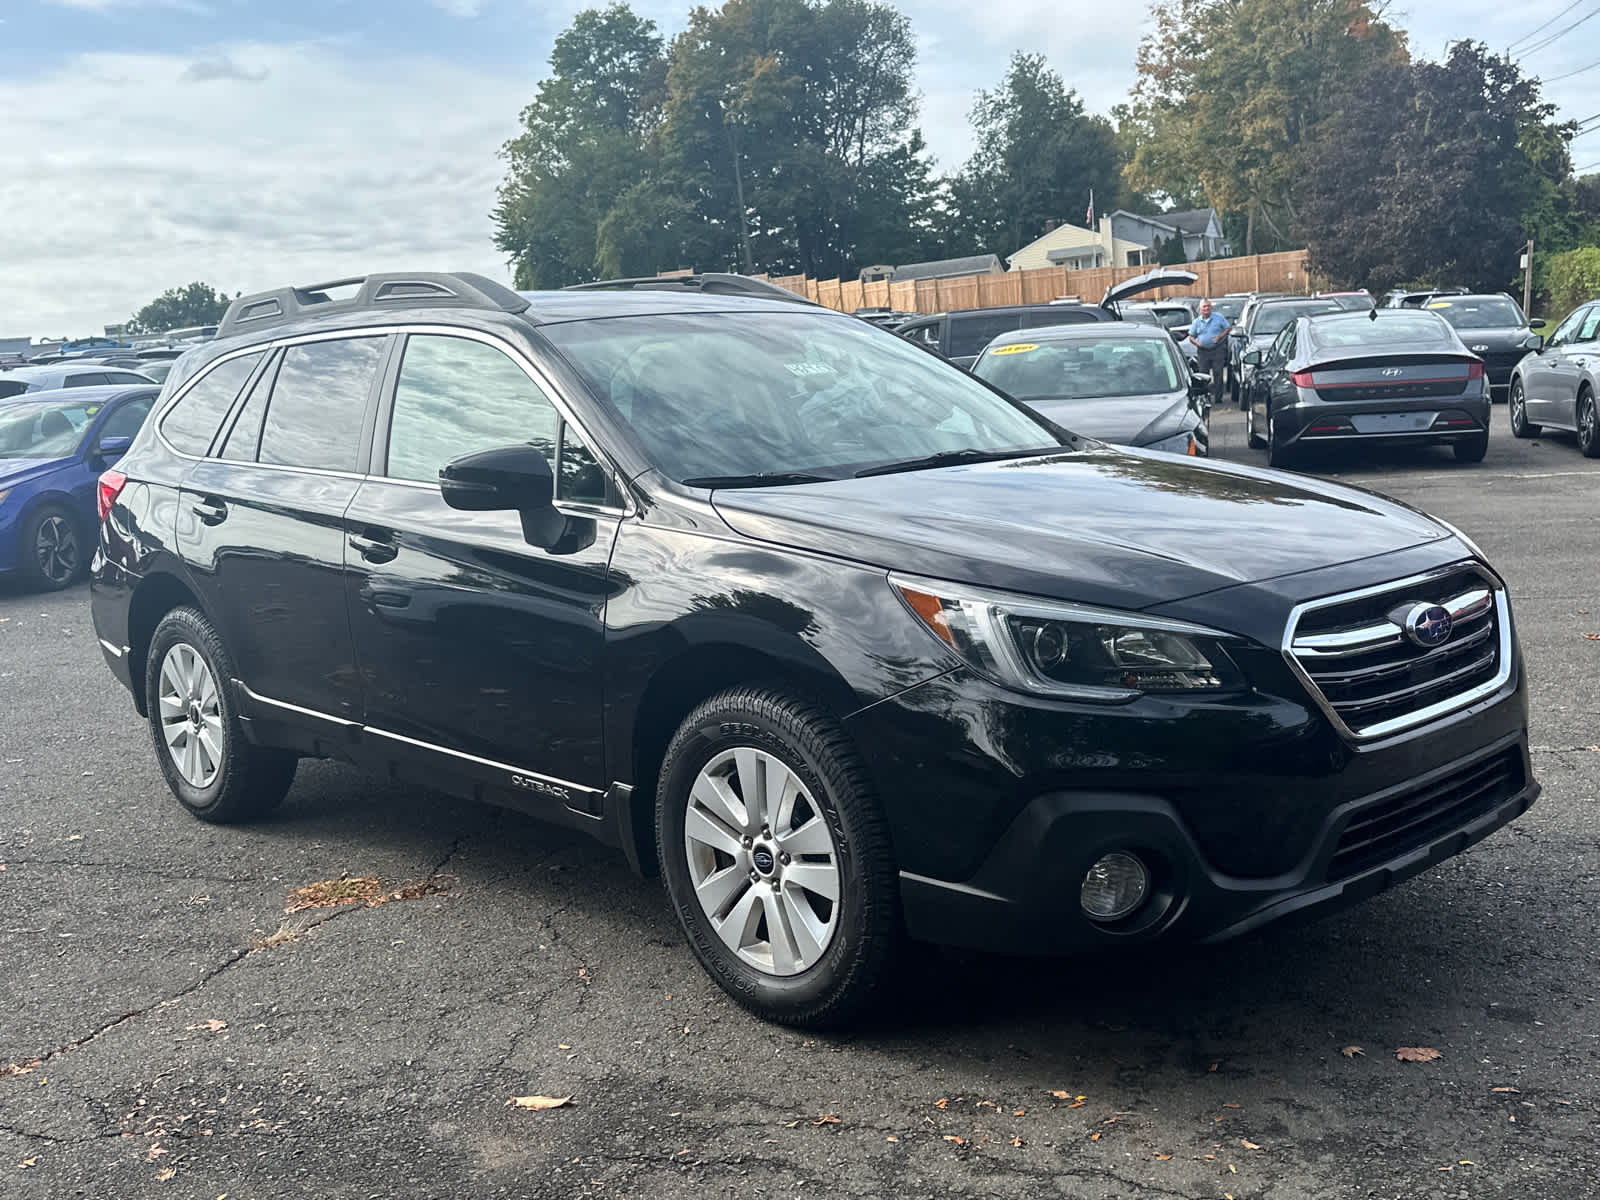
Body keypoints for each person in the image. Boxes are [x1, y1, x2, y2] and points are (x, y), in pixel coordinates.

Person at [1185, 298, 1232, 408]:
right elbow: (1191, 337)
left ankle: (1218, 398)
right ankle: (1205, 398)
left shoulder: (1218, 317)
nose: (1206, 309)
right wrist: (1197, 343)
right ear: (1200, 309)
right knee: (1203, 375)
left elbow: (1227, 328)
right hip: (1203, 352)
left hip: (1217, 350)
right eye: (1204, 307)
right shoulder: (1196, 322)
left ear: (1211, 308)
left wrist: (1219, 336)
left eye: (1208, 306)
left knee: (1218, 374)